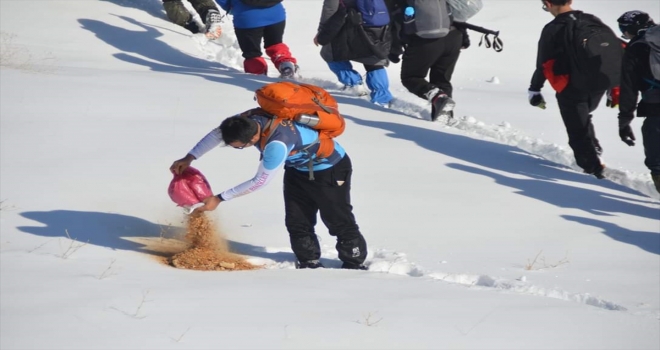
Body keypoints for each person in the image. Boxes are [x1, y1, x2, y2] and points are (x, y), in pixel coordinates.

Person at [170, 110, 368, 270]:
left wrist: (219, 198)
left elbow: (260, 181)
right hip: (297, 170)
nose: (238, 149)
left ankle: (354, 262)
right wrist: (190, 157)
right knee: (297, 219)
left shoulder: (277, 144)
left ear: (255, 137)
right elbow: (217, 134)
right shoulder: (246, 120)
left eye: (240, 147)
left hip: (330, 169)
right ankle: (309, 263)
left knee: (337, 218)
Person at [528, 0, 621, 179]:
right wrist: (613, 83)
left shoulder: (553, 28)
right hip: (598, 83)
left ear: (547, 4)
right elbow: (612, 51)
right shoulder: (592, 20)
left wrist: (535, 89)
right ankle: (593, 148)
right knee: (583, 116)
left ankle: (593, 172)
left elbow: (543, 64)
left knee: (577, 128)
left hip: (571, 85)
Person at [390, 0, 464, 122]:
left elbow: (396, 18)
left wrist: (395, 48)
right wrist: (464, 38)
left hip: (425, 40)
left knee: (410, 77)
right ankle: (444, 116)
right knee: (441, 79)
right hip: (453, 36)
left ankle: (438, 98)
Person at [313, 0, 394, 107]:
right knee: (374, 60)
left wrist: (322, 31)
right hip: (378, 24)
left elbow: (330, 8)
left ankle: (354, 84)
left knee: (330, 54)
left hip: (349, 22)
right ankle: (382, 98)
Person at [616, 11, 660, 193]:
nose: (623, 34)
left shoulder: (635, 48)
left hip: (656, 109)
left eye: (623, 29)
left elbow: (628, 89)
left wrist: (624, 121)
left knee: (657, 161)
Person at [211, 0, 299, 78]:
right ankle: (286, 64)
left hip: (247, 17)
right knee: (274, 43)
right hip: (276, 14)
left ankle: (257, 77)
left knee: (252, 54)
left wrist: (232, 7)